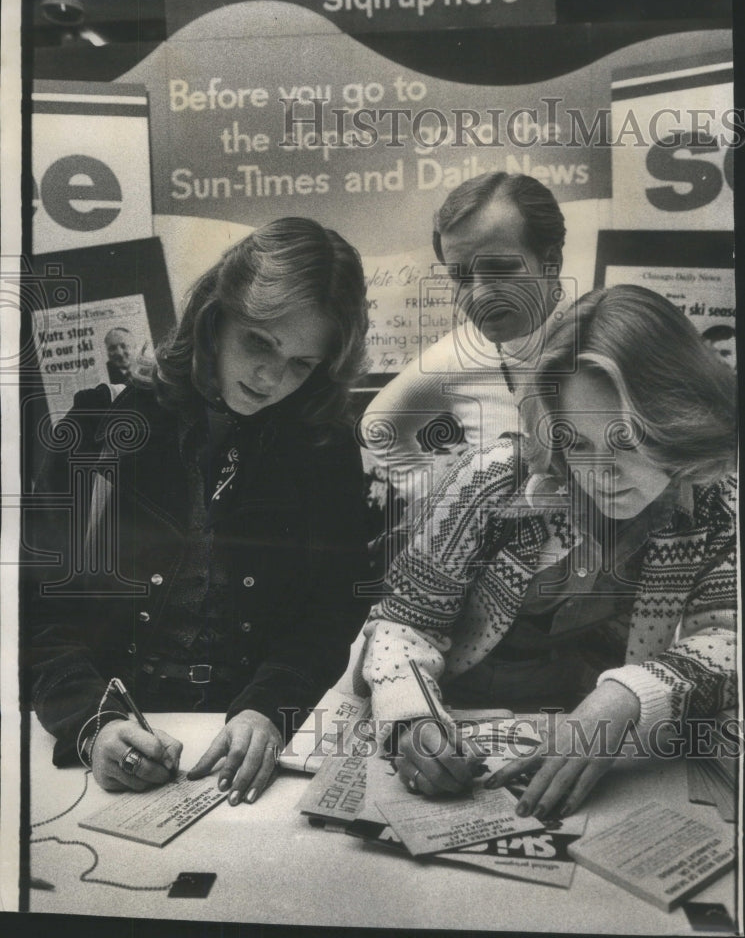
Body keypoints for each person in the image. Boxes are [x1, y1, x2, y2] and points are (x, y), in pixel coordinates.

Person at [355, 285, 737, 818]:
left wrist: (625, 698)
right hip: (461, 714)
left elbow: (727, 639)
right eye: (576, 442)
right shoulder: (494, 479)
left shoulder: (714, 498)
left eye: (627, 439)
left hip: (601, 733)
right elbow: (402, 626)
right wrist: (409, 718)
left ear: (680, 420)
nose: (602, 474)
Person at [29, 217, 370, 805]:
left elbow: (329, 615)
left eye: (301, 363)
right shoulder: (98, 429)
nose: (270, 378)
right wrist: (93, 724)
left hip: (248, 741)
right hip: (105, 737)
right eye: (259, 342)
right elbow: (35, 614)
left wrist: (269, 710)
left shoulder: (325, 446)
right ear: (214, 320)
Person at [360, 172, 571, 568]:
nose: (480, 295)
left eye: (500, 270)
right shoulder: (456, 354)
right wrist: (444, 505)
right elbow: (379, 426)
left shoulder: (610, 333)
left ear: (552, 261)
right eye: (461, 276)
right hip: (490, 578)